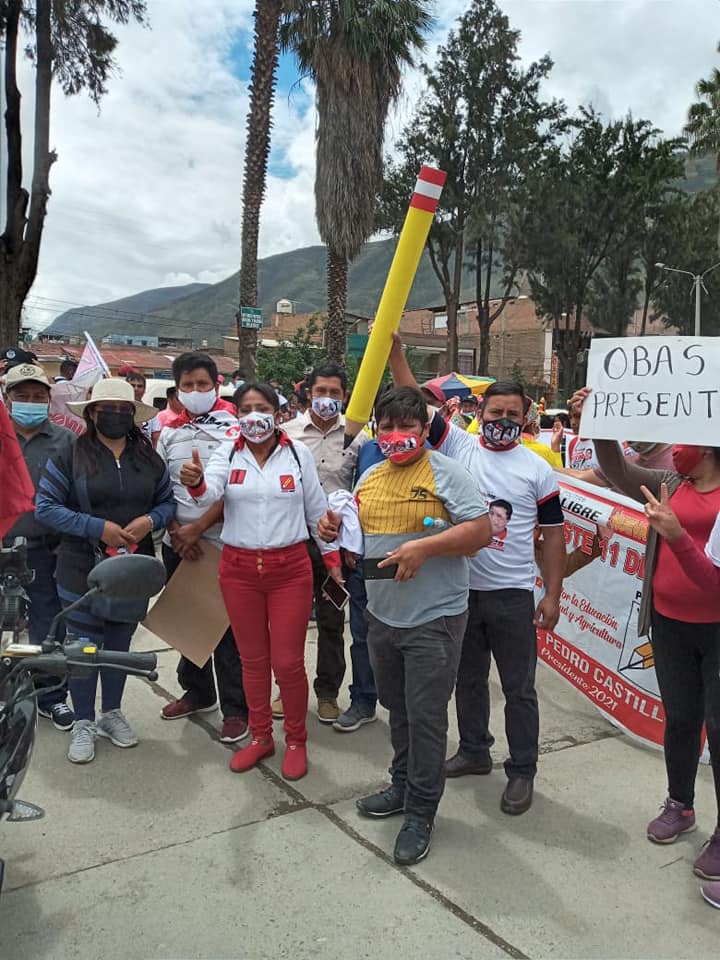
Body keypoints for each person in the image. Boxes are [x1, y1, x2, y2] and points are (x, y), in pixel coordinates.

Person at [389, 337, 566, 816]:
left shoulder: (539, 469)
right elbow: (415, 402)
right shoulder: (460, 445)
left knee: (519, 688)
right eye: (494, 414)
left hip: (512, 596)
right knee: (467, 680)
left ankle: (522, 770)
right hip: (460, 593)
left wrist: (553, 593)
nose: (502, 423)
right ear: (478, 414)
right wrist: (395, 355)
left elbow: (552, 537)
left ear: (526, 418)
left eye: (512, 415)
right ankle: (473, 750)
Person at [319, 386, 491, 865]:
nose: (396, 436)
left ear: (423, 431)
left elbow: (481, 531)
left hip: (434, 618)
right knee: (399, 708)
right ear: (377, 429)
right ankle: (400, 785)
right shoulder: (369, 476)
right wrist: (334, 531)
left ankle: (421, 811)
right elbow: (357, 533)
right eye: (388, 426)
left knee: (427, 716)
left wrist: (425, 547)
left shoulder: (446, 472)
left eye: (407, 427)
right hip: (381, 613)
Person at [570, 387, 720, 886]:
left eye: (686, 438)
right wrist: (602, 422)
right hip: (670, 625)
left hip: (716, 630)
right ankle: (680, 803)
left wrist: (676, 534)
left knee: (718, 732)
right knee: (680, 720)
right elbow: (619, 472)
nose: (676, 446)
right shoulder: (671, 481)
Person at [178, 382, 342, 781]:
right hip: (239, 570)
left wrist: (332, 551)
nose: (255, 416)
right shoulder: (226, 453)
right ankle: (261, 737)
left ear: (278, 412)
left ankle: (297, 740)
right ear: (237, 414)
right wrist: (195, 480)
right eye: (247, 408)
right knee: (253, 662)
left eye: (262, 407)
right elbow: (207, 495)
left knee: (287, 663)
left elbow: (316, 513)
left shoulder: (297, 454)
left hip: (290, 570)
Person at [35, 379, 175, 764]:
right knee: (83, 648)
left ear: (132, 414)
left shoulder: (148, 458)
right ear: (93, 413)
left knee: (117, 646)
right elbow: (45, 506)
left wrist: (151, 520)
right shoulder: (71, 456)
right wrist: (96, 527)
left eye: (123, 409)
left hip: (133, 569)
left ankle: (111, 712)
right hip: (79, 566)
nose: (116, 415)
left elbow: (167, 502)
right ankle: (83, 720)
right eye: (108, 408)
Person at [156, 353, 249, 744]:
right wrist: (178, 530)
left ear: (218, 384)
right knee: (187, 621)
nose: (195, 392)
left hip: (223, 542)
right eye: (187, 386)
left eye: (203, 384)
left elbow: (241, 488)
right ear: (177, 390)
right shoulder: (167, 433)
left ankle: (236, 708)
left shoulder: (238, 429)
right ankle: (197, 691)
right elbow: (159, 488)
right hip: (177, 542)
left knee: (228, 631)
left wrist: (199, 528)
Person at [283, 365, 371, 729]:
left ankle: (327, 692)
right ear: (308, 393)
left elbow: (364, 490)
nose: (328, 399)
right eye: (321, 391)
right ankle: (284, 689)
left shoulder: (360, 438)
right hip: (293, 542)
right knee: (288, 622)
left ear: (346, 396)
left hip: (335, 549)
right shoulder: (285, 434)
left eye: (335, 392)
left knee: (333, 622)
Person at [2, 362, 76, 730]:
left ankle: (50, 696)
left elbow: (77, 495)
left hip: (46, 549)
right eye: (22, 396)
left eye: (38, 396)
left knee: (49, 625)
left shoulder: (66, 441)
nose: (30, 402)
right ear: (7, 398)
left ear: (49, 400)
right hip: (1, 545)